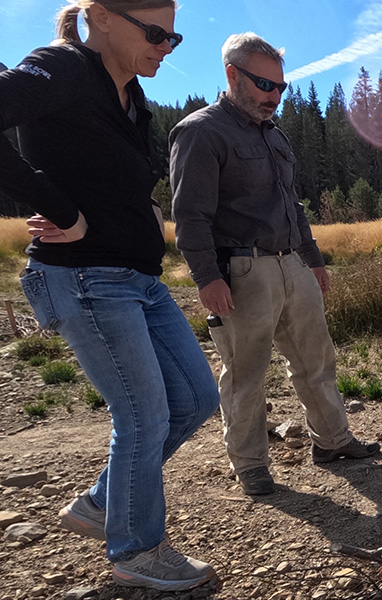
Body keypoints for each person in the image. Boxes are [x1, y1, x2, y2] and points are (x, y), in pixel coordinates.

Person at [0, 0, 220, 591]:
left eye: (172, 39)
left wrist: (139, 206)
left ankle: (102, 505)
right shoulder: (63, 68)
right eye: (154, 32)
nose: (164, 47)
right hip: (84, 275)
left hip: (139, 279)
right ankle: (137, 550)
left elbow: (104, 168)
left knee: (196, 399)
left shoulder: (133, 99)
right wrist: (56, 206)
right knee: (144, 416)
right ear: (99, 16)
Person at [170, 33, 379, 497]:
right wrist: (207, 277)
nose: (274, 96)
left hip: (293, 266)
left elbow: (293, 205)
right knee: (245, 371)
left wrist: (314, 260)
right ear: (231, 75)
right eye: (265, 84)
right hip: (241, 272)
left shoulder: (275, 136)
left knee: (316, 360)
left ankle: (333, 441)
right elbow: (189, 215)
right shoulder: (201, 132)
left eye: (281, 87)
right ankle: (249, 465)